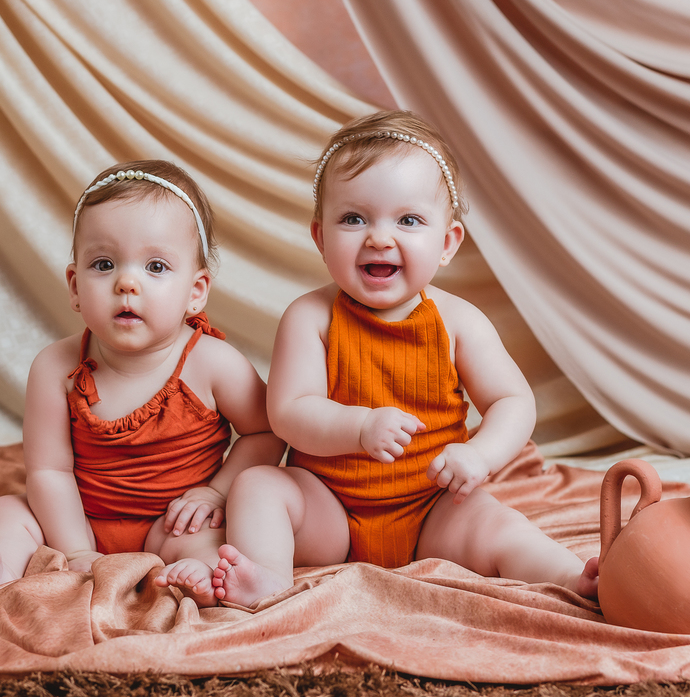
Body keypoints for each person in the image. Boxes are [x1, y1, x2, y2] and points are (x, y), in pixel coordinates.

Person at [211, 111, 599, 607]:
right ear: (320, 237)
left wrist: (481, 455)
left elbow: (513, 401)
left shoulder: (459, 322)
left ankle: (571, 576)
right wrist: (358, 427)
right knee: (257, 486)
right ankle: (266, 579)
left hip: (432, 508)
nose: (379, 237)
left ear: (446, 243)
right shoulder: (310, 317)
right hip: (330, 511)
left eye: (408, 220)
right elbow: (288, 412)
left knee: (499, 524)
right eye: (354, 219)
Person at [0, 160, 284, 607]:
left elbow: (266, 432)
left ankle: (202, 575)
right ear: (75, 286)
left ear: (196, 292)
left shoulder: (213, 363)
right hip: (80, 520)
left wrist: (216, 491)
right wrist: (77, 550)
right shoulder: (54, 368)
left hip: (174, 524)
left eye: (156, 266)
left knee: (210, 541)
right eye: (104, 264)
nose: (127, 282)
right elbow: (49, 471)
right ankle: (2, 568)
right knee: (4, 511)